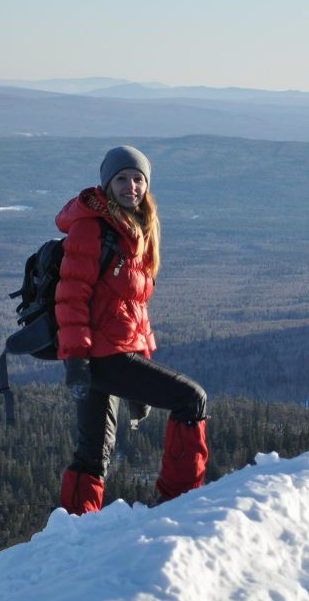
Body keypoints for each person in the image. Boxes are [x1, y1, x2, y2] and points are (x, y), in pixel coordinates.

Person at [54, 144, 208, 514]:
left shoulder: (134, 229)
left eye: (138, 179)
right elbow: (71, 296)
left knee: (93, 453)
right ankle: (179, 502)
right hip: (99, 356)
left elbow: (133, 309)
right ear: (107, 184)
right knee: (191, 399)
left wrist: (142, 358)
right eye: (122, 179)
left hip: (113, 352)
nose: (131, 186)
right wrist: (76, 360)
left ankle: (76, 529)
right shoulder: (92, 227)